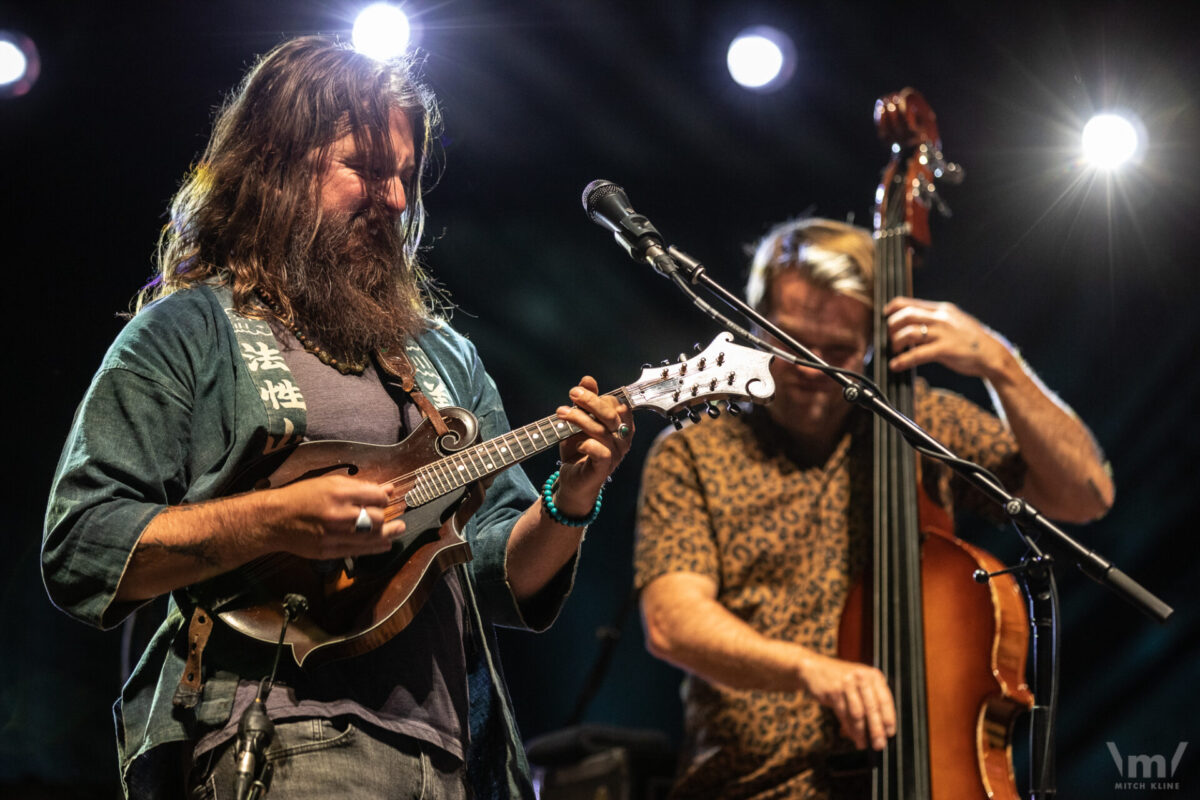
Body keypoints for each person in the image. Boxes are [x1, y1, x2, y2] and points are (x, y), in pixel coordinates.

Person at [42, 36, 634, 800]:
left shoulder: (445, 360)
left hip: (456, 757)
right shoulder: (189, 331)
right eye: (366, 167)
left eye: (406, 177)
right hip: (280, 740)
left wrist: (572, 496)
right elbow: (82, 543)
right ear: (278, 165)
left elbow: (502, 579)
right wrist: (276, 520)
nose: (395, 199)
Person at [634, 217, 1114, 799]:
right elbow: (672, 621)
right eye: (789, 342)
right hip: (750, 787)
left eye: (837, 350)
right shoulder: (692, 450)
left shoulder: (919, 424)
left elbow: (1084, 495)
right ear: (751, 323)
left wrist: (1000, 364)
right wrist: (809, 670)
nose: (811, 369)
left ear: (872, 342)